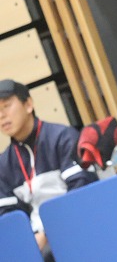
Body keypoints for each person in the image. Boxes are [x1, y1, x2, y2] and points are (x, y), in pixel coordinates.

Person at [0, 79, 98, 261]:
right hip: (33, 240)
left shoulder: (63, 137)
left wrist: (48, 232)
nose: (1, 115)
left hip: (74, 227)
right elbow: (7, 216)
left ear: (28, 104)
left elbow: (81, 190)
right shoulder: (3, 163)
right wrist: (28, 239)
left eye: (6, 106)